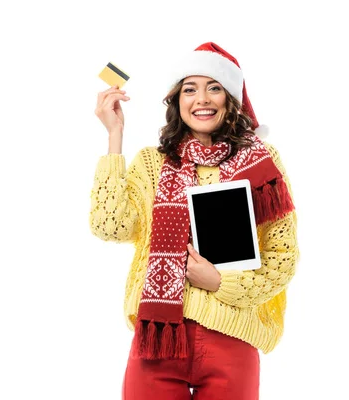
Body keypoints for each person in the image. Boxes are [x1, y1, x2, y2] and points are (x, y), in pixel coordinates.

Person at [89, 42, 299, 400]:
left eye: (214, 87)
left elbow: (283, 257)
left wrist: (219, 282)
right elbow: (110, 225)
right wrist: (114, 136)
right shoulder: (153, 163)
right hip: (158, 339)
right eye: (190, 89)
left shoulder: (261, 163)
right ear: (177, 101)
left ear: (230, 98)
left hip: (231, 337)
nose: (202, 98)